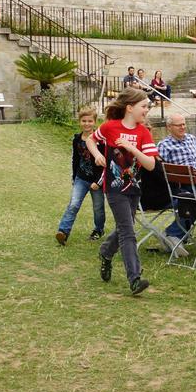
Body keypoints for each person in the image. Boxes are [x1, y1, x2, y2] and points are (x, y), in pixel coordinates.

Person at [88, 88, 158, 296]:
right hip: (114, 188)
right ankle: (134, 278)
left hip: (134, 187)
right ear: (130, 108)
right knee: (128, 230)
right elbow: (91, 140)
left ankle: (106, 252)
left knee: (123, 227)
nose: (147, 110)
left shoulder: (144, 132)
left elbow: (151, 165)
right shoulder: (110, 127)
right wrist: (97, 156)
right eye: (144, 106)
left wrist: (132, 148)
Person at [157, 113, 196, 257]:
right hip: (180, 183)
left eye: (184, 124)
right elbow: (160, 169)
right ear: (169, 127)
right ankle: (175, 233)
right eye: (179, 125)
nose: (183, 127)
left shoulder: (191, 139)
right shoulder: (164, 145)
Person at [56, 107, 106, 245]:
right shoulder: (77, 139)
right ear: (79, 122)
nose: (86, 124)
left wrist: (99, 182)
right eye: (84, 121)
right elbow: (75, 160)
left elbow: (105, 164)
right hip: (81, 178)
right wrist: (74, 177)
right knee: (73, 204)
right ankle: (63, 232)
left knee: (98, 208)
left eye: (90, 121)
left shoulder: (101, 141)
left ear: (95, 122)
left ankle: (99, 229)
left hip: (96, 181)